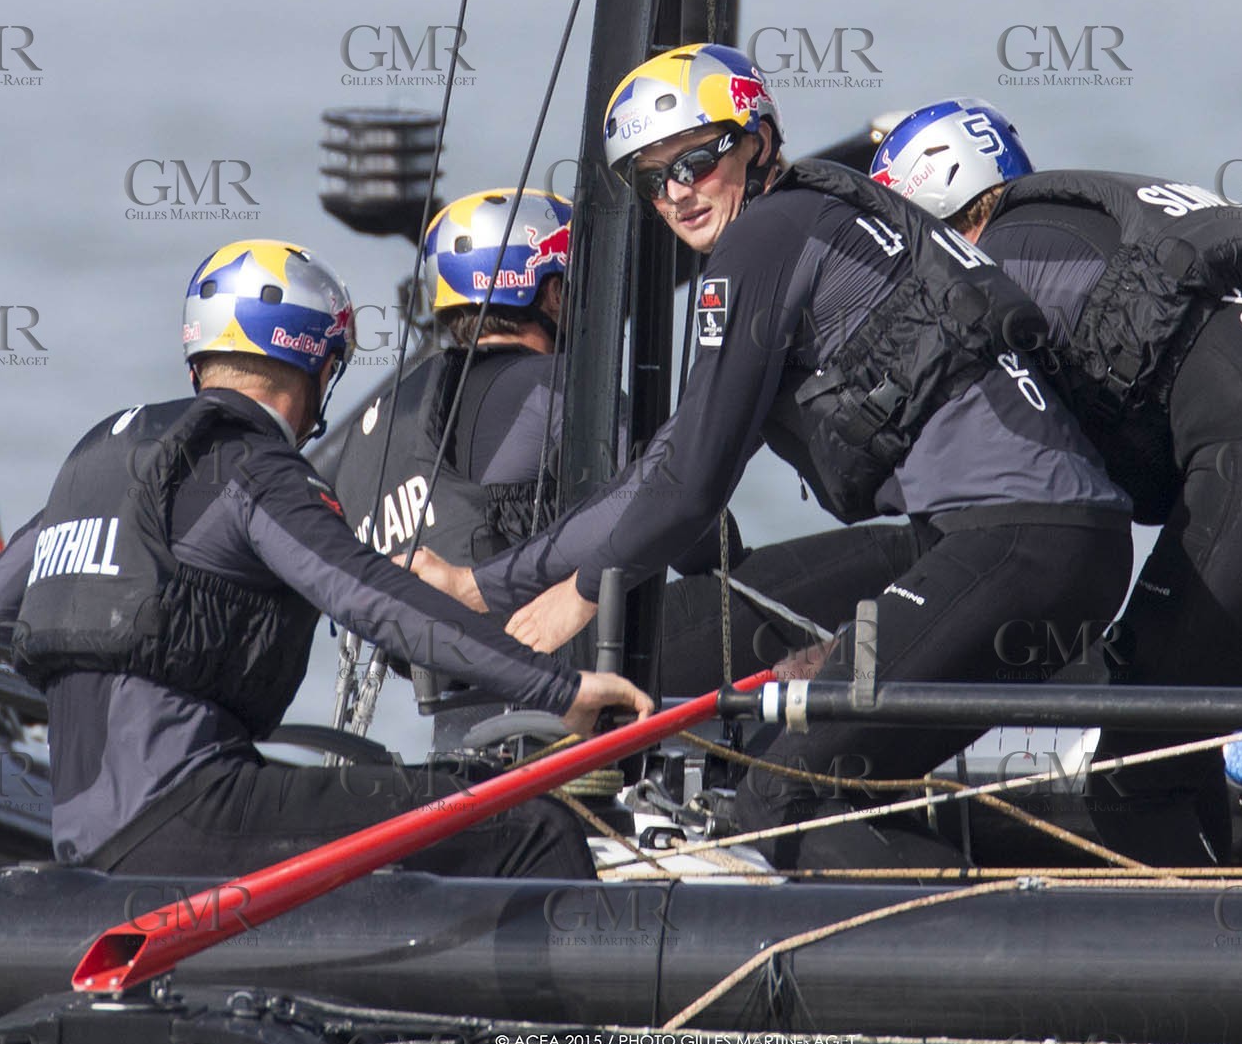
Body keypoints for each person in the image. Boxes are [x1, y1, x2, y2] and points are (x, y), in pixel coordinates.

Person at [405, 45, 1136, 870]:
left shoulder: (763, 239)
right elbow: (672, 462)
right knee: (818, 769)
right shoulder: (816, 217)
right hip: (1053, 546)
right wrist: (487, 584)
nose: (677, 193)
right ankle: (1051, 902)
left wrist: (575, 590)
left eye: (695, 160)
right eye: (653, 178)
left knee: (781, 796)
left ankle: (987, 938)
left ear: (755, 141)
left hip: (1014, 545)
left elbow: (689, 485)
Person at [0, 238, 652, 878]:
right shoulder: (254, 467)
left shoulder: (101, 454)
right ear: (319, 367)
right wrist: (559, 688)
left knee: (438, 799)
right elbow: (373, 600)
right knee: (531, 825)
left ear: (199, 356)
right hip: (191, 807)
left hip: (80, 832)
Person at [871, 99, 1242, 863]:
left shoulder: (996, 266)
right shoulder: (1081, 220)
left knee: (1133, 779)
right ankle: (1234, 901)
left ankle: (1208, 938)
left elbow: (1028, 505)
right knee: (1181, 745)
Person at [332, 187, 924, 710]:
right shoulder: (558, 387)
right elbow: (693, 530)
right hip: (571, 662)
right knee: (909, 555)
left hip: (460, 702)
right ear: (554, 295)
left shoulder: (382, 422)